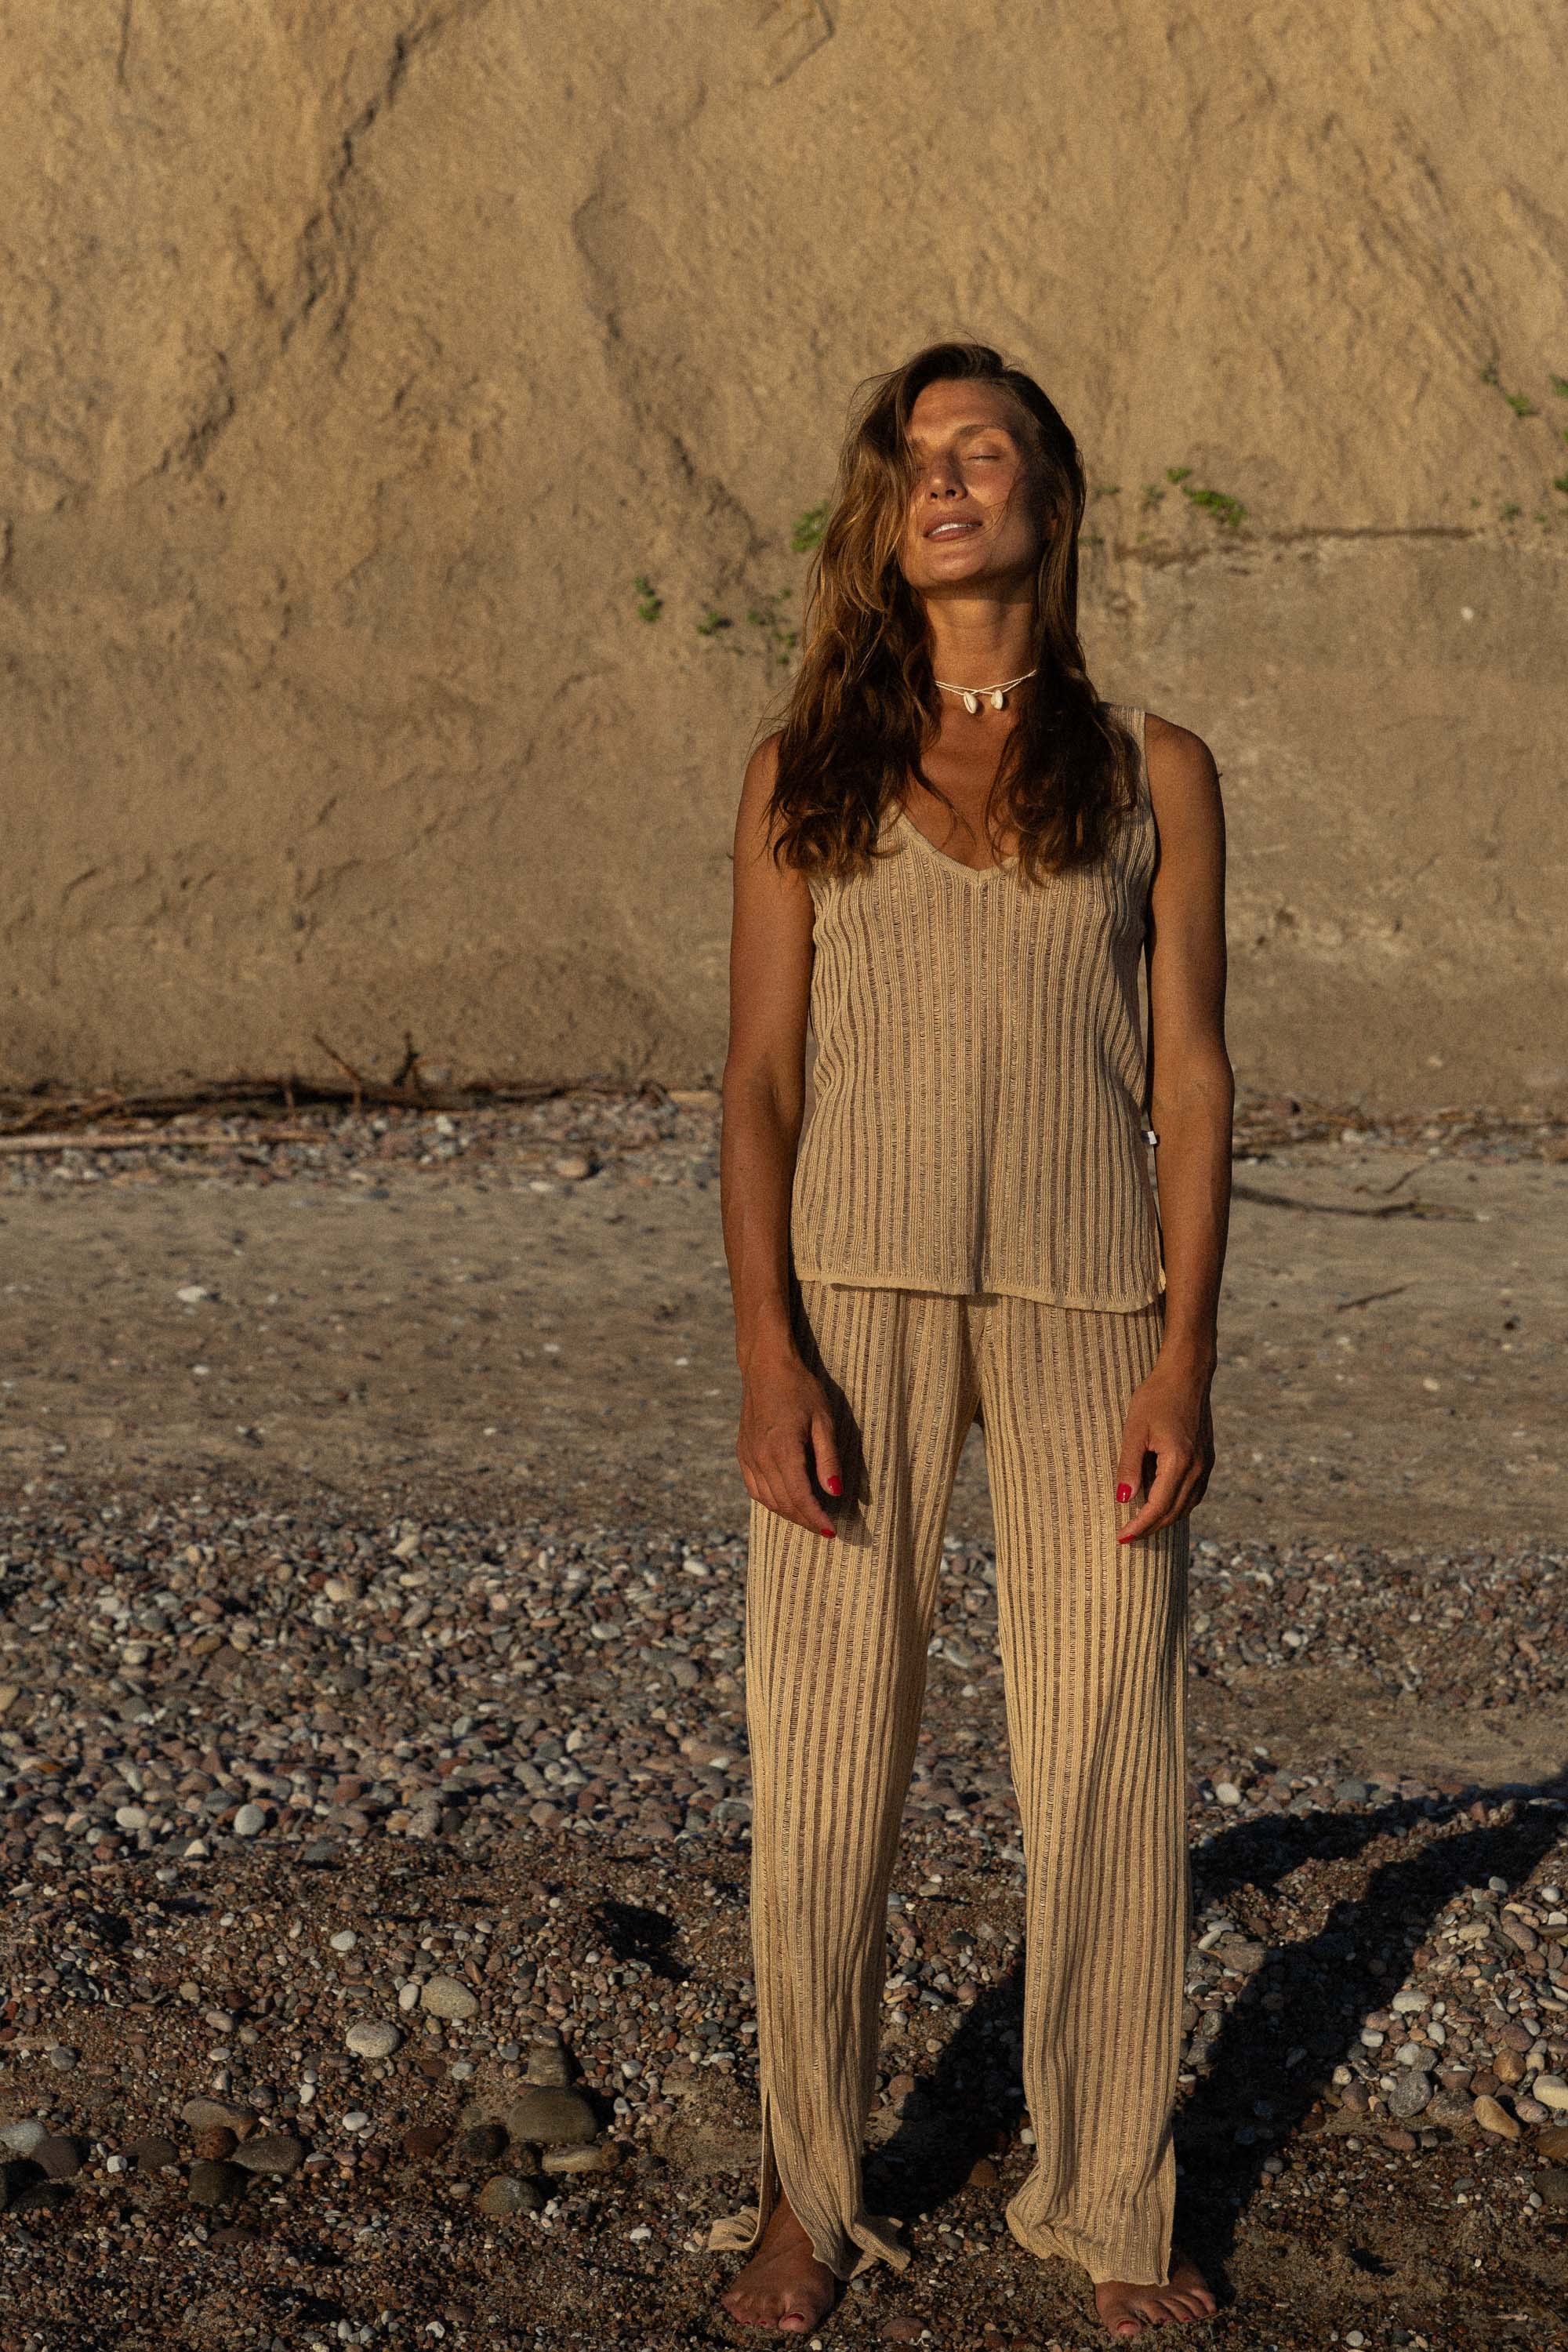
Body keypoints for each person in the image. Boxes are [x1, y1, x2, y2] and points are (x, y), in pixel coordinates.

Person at [710, 339, 1231, 2340]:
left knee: (1106, 1758)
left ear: (1048, 500)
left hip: (1098, 1309)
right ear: (885, 515)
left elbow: (1190, 1078)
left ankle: (1106, 2197)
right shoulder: (803, 771)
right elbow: (758, 1082)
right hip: (850, 1303)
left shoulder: (1155, 771)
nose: (944, 482)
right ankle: (805, 2193)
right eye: (916, 459)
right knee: (827, 1764)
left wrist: (1185, 1357)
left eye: (982, 451)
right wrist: (770, 1355)